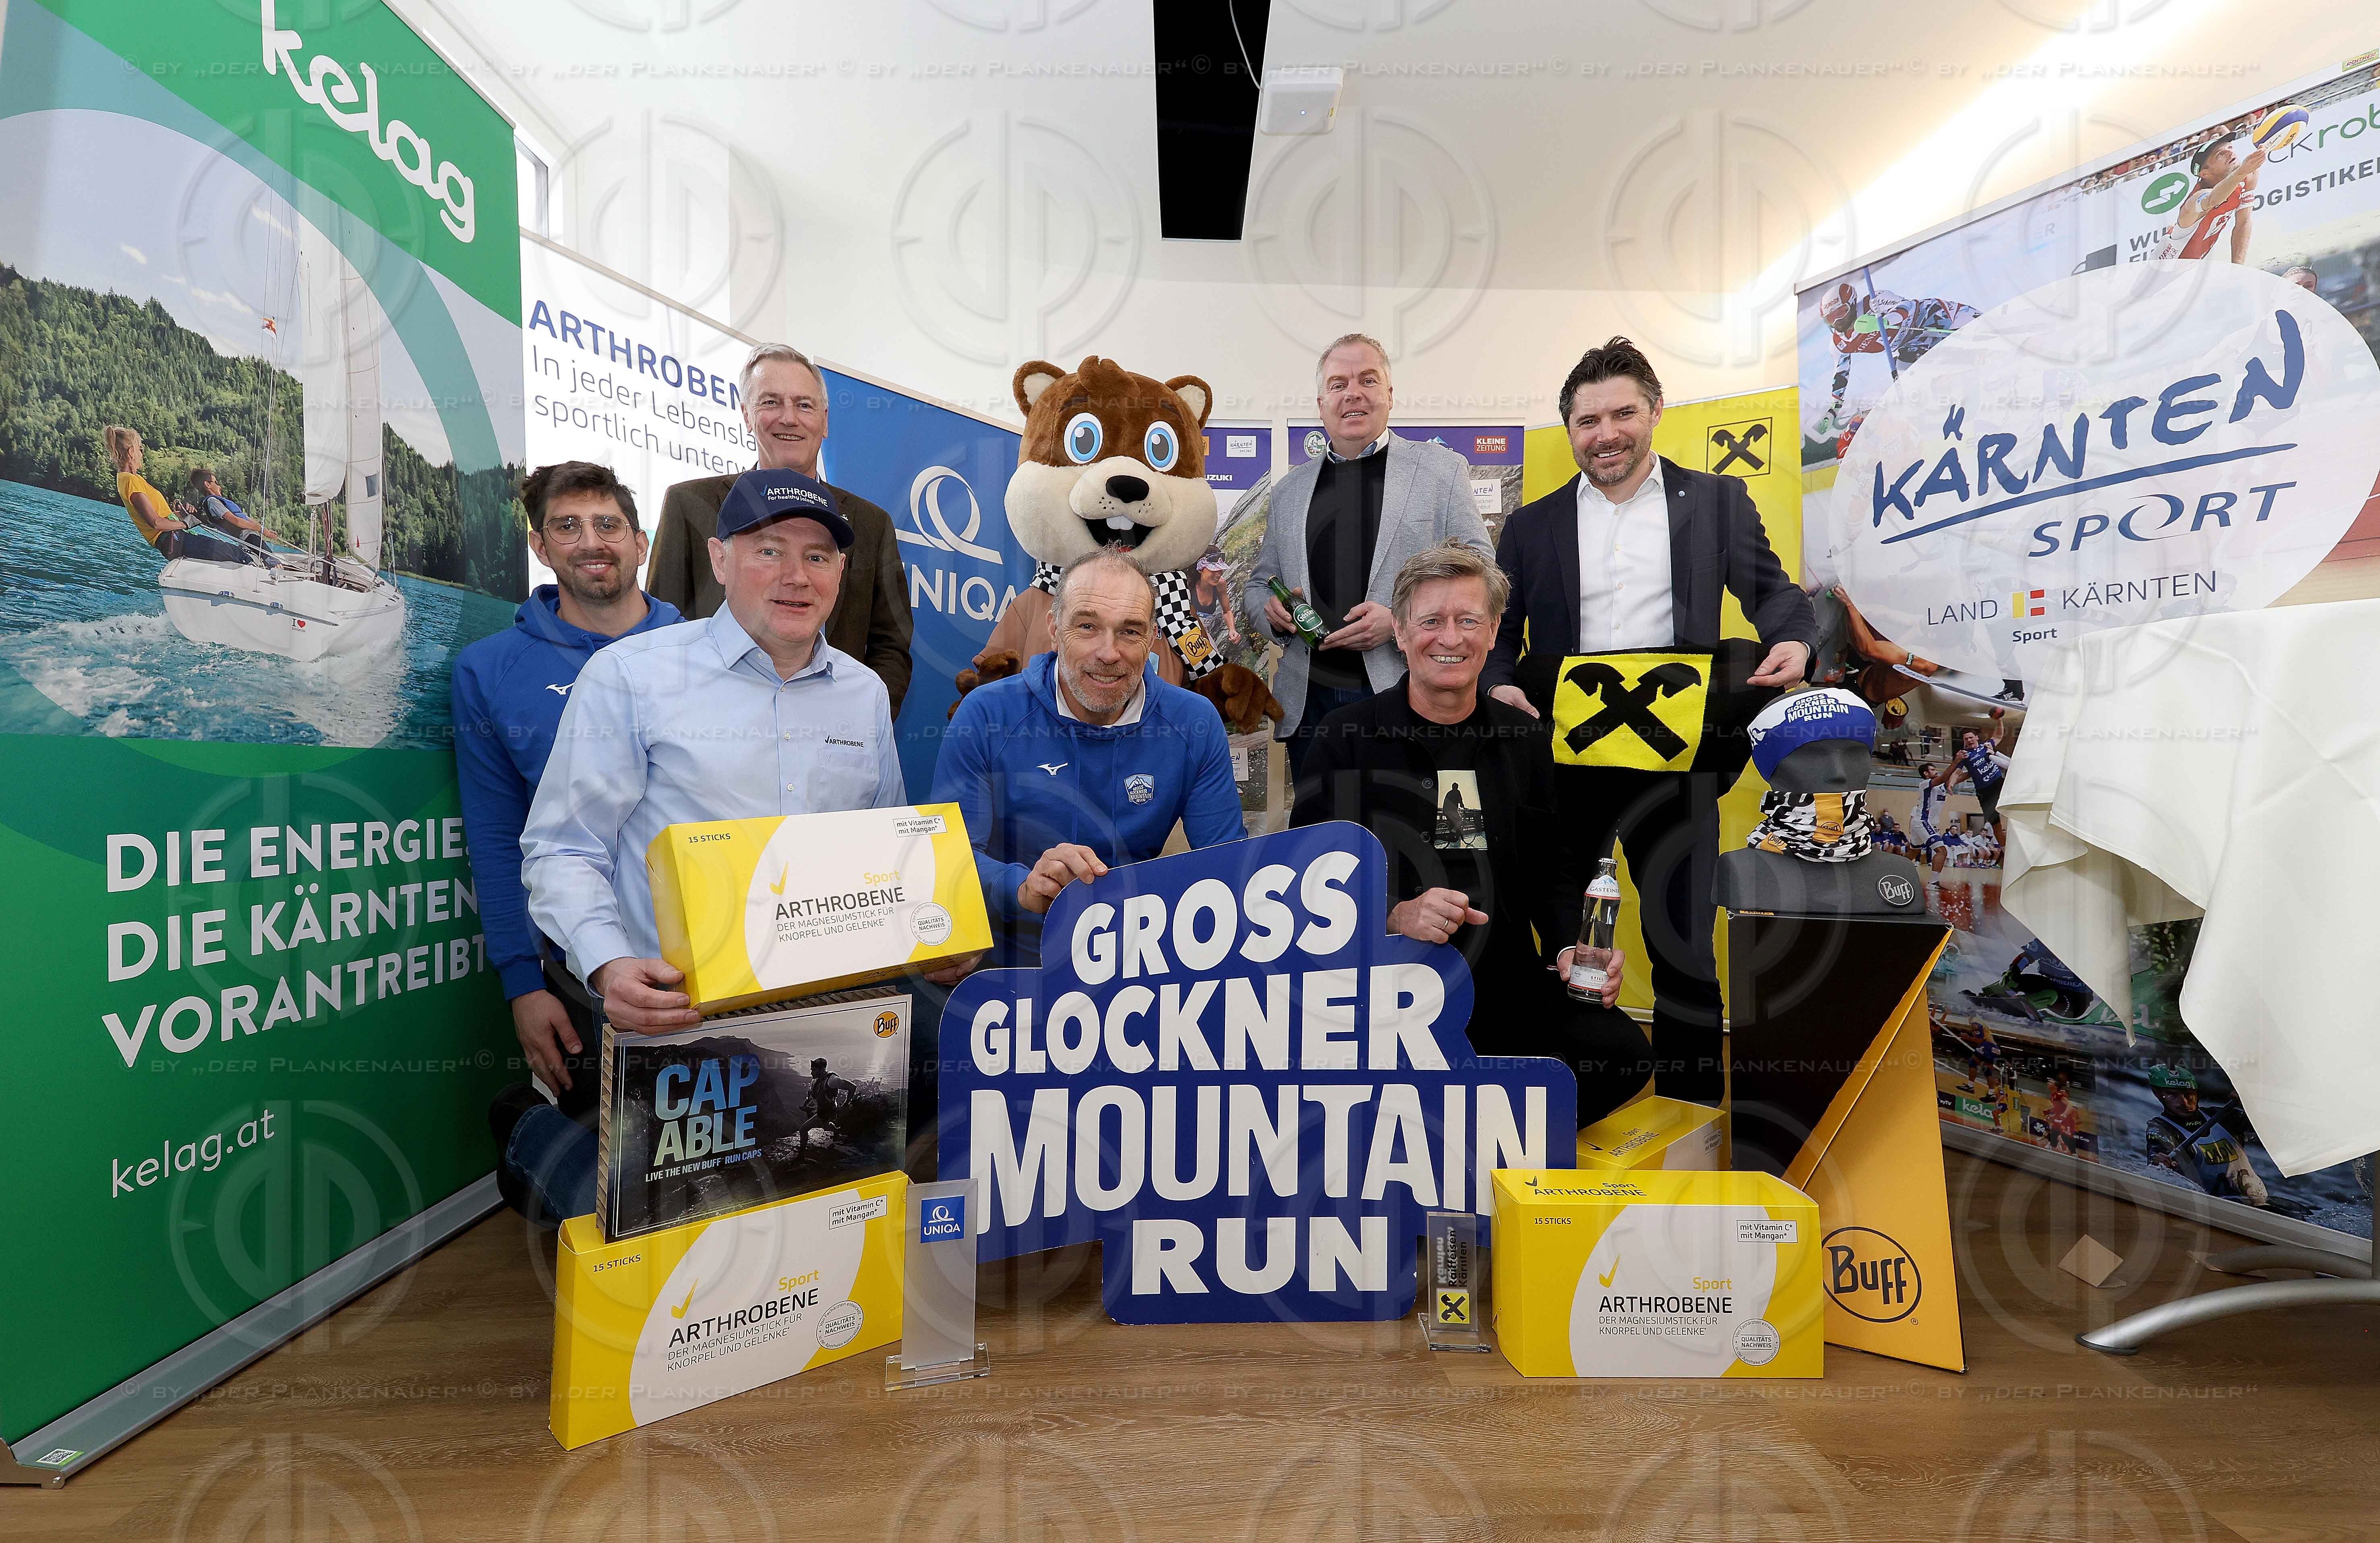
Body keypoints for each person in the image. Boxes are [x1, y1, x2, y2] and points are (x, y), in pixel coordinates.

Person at [502, 467, 942, 1224]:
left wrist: (929, 932)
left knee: (820, 1194)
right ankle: (530, 1131)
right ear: (720, 559)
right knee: (655, 1226)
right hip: (676, 1012)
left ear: (841, 572)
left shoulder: (865, 694)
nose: (796, 576)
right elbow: (563, 850)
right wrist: (607, 964)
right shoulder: (632, 677)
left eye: (817, 556)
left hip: (826, 1006)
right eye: (769, 551)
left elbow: (885, 851)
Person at [1482, 338, 1817, 1103]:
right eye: (1587, 420)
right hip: (1564, 767)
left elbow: (1775, 595)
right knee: (1562, 937)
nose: (1606, 433)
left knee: (1685, 946)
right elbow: (1501, 635)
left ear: (1656, 411)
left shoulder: (1719, 502)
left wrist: (1796, 641)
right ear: (1569, 430)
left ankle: (1691, 1115)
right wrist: (1498, 684)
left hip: (1678, 761)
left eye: (1622, 414)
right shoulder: (1529, 527)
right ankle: (1573, 1098)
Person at [1291, 542, 1647, 1129]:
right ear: (1400, 632)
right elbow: (1304, 881)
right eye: (1431, 621)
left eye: (1468, 621)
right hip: (1386, 987)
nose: (1450, 638)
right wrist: (1394, 914)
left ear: (1494, 631)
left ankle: (1475, 1145)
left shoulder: (1523, 739)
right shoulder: (1343, 737)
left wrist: (1572, 951)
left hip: (1504, 981)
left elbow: (1554, 871)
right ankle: (1457, 1135)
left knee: (1622, 1056)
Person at [452, 462, 683, 1194]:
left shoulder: (710, 652)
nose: (591, 542)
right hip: (581, 967)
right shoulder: (490, 670)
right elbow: (496, 836)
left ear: (641, 542)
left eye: (608, 524)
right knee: (626, 1187)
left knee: (719, 1163)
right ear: (540, 545)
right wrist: (524, 985)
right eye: (567, 526)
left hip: (709, 952)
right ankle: (530, 1128)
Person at [933, 546, 1244, 973]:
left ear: (1152, 637)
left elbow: (1229, 864)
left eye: (1130, 631)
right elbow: (952, 858)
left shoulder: (1194, 722)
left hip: (1137, 963)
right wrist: (1023, 886)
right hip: (1008, 960)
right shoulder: (987, 714)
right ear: (1054, 629)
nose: (1108, 652)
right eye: (1087, 626)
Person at [1243, 333, 1494, 777]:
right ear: (1321, 404)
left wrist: (1401, 620)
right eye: (1338, 384)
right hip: (1311, 702)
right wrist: (1272, 613)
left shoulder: (1441, 470)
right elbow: (1259, 584)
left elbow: (1482, 570)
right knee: (1322, 821)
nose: (1353, 393)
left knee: (1410, 814)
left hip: (1407, 689)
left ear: (1389, 395)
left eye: (1368, 380)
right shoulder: (1288, 491)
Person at [647, 343, 914, 714]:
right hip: (712, 723)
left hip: (829, 728)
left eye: (804, 405)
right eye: (771, 403)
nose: (789, 418)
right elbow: (663, 628)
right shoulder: (689, 504)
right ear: (747, 415)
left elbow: (891, 647)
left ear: (825, 421)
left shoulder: (873, 523)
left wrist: (862, 719)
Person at [104, 426, 249, 566]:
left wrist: (181, 514)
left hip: (175, 539)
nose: (142, 454)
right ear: (131, 452)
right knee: (238, 554)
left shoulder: (131, 479)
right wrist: (186, 523)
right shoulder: (130, 481)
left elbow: (160, 516)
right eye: (140, 449)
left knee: (233, 553)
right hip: (173, 540)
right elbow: (156, 523)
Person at [2145, 1064, 2270, 1206]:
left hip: (2258, 1203)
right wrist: (2159, 1161)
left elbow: (2268, 1126)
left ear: (2197, 1094)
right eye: (2172, 1095)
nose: (2184, 1102)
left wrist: (2250, 1104)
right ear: (2157, 1094)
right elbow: (2156, 1159)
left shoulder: (2225, 1117)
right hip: (2209, 1207)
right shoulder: (2160, 1128)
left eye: (2189, 1095)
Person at [2152, 136, 2263, 263]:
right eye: (2220, 155)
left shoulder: (2247, 177)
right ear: (2205, 174)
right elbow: (2213, 200)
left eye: (2230, 147)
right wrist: (2241, 172)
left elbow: (2243, 223)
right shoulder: (2194, 201)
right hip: (2166, 266)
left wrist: (2238, 267)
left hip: (2193, 263)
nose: (2230, 152)